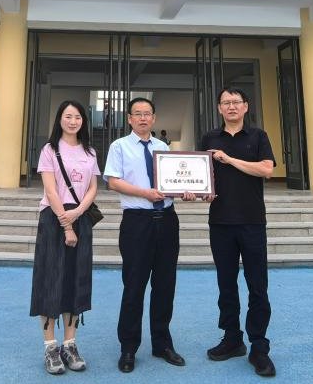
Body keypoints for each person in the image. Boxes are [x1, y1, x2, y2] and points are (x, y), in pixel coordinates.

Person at [103, 97, 189, 374]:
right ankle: (128, 347)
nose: (142, 118)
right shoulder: (119, 146)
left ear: (154, 118)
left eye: (147, 113)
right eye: (137, 114)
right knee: (134, 285)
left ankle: (162, 344)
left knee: (165, 285)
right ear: (129, 118)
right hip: (137, 222)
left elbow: (174, 182)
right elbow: (113, 182)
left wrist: (187, 191)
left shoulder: (164, 148)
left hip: (167, 221)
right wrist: (145, 193)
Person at [201, 87, 277, 378]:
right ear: (219, 108)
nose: (231, 107)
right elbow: (201, 175)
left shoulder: (258, 136)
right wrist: (200, 192)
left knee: (257, 285)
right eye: (226, 102)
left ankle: (259, 346)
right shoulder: (209, 138)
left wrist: (229, 159)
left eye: (236, 102)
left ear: (246, 106)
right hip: (220, 221)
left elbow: (266, 170)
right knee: (226, 284)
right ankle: (232, 338)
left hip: (252, 221)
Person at [29, 100, 101, 375]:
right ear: (59, 119)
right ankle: (50, 346)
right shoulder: (50, 150)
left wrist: (79, 213)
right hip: (54, 218)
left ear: (84, 120)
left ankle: (70, 344)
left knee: (76, 279)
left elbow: (93, 188)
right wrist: (66, 224)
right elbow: (50, 190)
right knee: (50, 279)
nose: (73, 121)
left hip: (80, 217)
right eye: (68, 116)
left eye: (78, 117)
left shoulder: (90, 151)